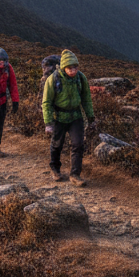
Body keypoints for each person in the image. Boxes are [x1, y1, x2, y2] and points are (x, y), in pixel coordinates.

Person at [42, 48, 96, 186]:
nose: (73, 71)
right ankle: (55, 169)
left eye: (75, 67)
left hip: (75, 116)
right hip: (59, 117)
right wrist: (48, 123)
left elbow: (86, 99)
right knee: (57, 144)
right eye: (70, 68)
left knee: (78, 144)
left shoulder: (80, 78)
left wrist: (91, 118)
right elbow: (46, 102)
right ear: (64, 67)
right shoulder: (53, 79)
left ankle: (75, 175)